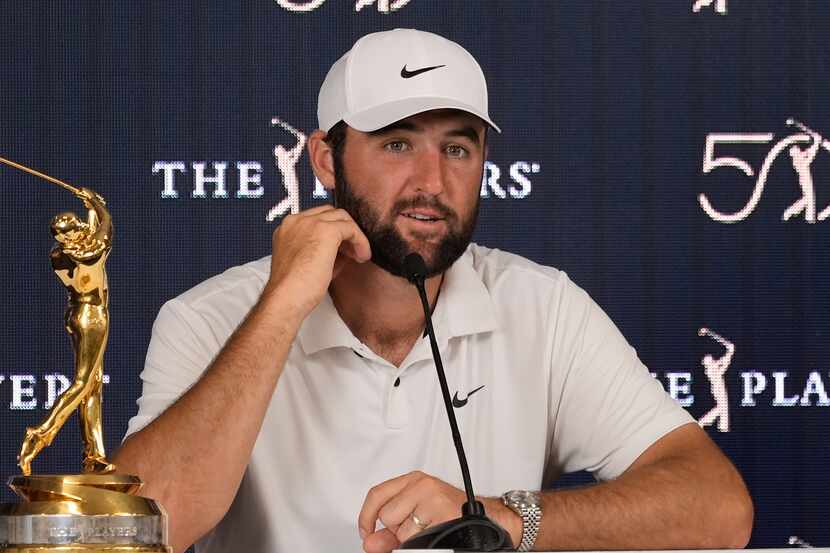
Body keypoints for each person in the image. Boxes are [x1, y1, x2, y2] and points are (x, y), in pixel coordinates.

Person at [114, 29, 753, 553]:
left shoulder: (543, 306)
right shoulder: (208, 318)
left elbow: (718, 507)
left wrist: (503, 519)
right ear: (325, 160)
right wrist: (281, 308)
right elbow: (137, 532)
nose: (432, 181)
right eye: (397, 143)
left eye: (457, 147)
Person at [20, 187, 114, 475]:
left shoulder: (60, 254)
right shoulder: (83, 255)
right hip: (92, 317)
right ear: (66, 236)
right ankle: (41, 433)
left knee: (93, 386)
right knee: (83, 383)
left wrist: (89, 207)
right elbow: (105, 234)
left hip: (78, 314)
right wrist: (98, 205)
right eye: (74, 229)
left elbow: (92, 231)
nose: (81, 229)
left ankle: (95, 455)